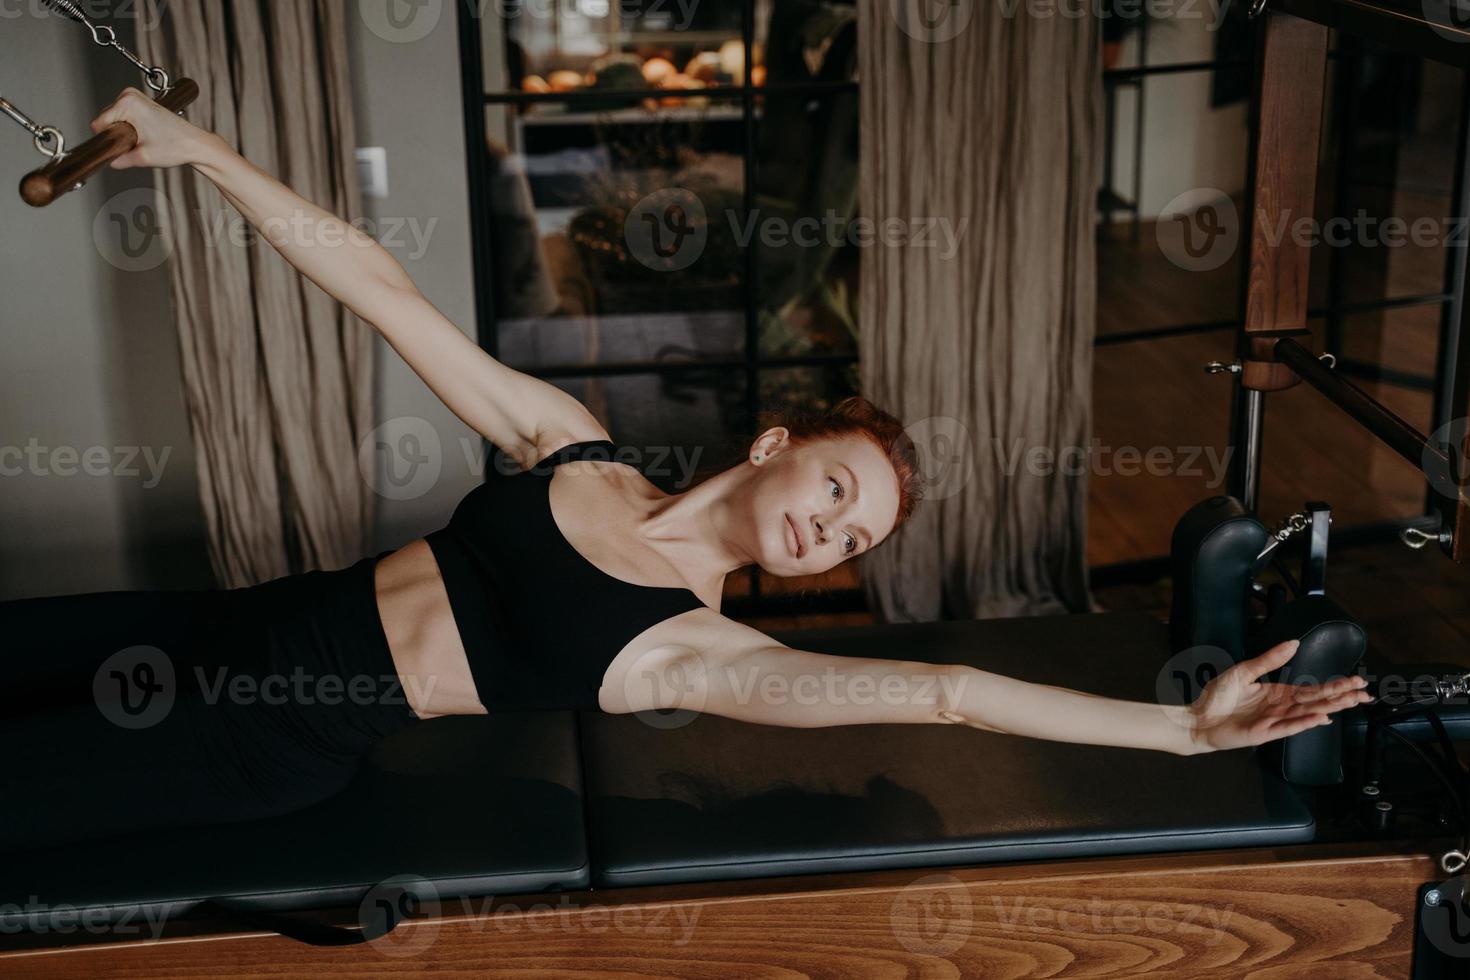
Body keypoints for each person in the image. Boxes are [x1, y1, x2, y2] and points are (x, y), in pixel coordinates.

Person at [0, 89, 1372, 853]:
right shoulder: (568, 447)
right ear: (777, 442)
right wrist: (197, 153)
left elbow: (950, 697)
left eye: (854, 543)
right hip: (230, 619)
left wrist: (1183, 731)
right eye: (838, 490)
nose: (832, 534)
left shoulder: (684, 655)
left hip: (261, 742)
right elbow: (380, 292)